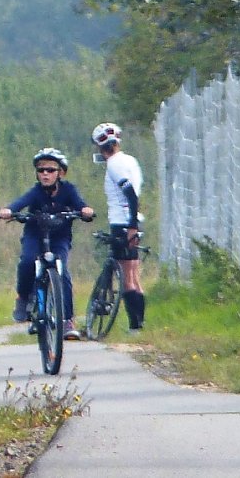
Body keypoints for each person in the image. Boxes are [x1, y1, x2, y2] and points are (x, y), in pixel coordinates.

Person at [0, 148, 94, 340]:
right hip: (35, 235)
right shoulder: (36, 192)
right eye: (41, 170)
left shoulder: (68, 190)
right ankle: (23, 299)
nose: (45, 174)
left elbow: (80, 204)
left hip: (59, 238)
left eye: (50, 170)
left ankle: (67, 321)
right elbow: (21, 202)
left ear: (61, 173)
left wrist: (85, 210)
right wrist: (9, 210)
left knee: (62, 271)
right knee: (27, 261)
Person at [92, 122, 145, 331]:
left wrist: (130, 224)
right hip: (133, 220)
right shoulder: (130, 160)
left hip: (122, 222)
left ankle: (135, 326)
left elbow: (130, 194)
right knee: (134, 275)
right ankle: (139, 324)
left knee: (127, 279)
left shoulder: (114, 165)